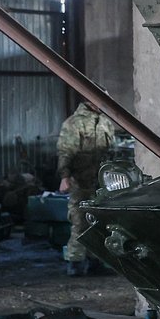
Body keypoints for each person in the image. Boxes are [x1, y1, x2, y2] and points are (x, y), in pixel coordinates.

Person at [57, 100, 116, 276]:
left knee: (101, 220)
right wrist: (64, 177)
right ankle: (75, 262)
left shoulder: (106, 122)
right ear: (89, 100)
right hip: (80, 180)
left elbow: (111, 150)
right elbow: (65, 151)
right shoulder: (74, 123)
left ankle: (96, 260)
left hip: (102, 181)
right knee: (79, 221)